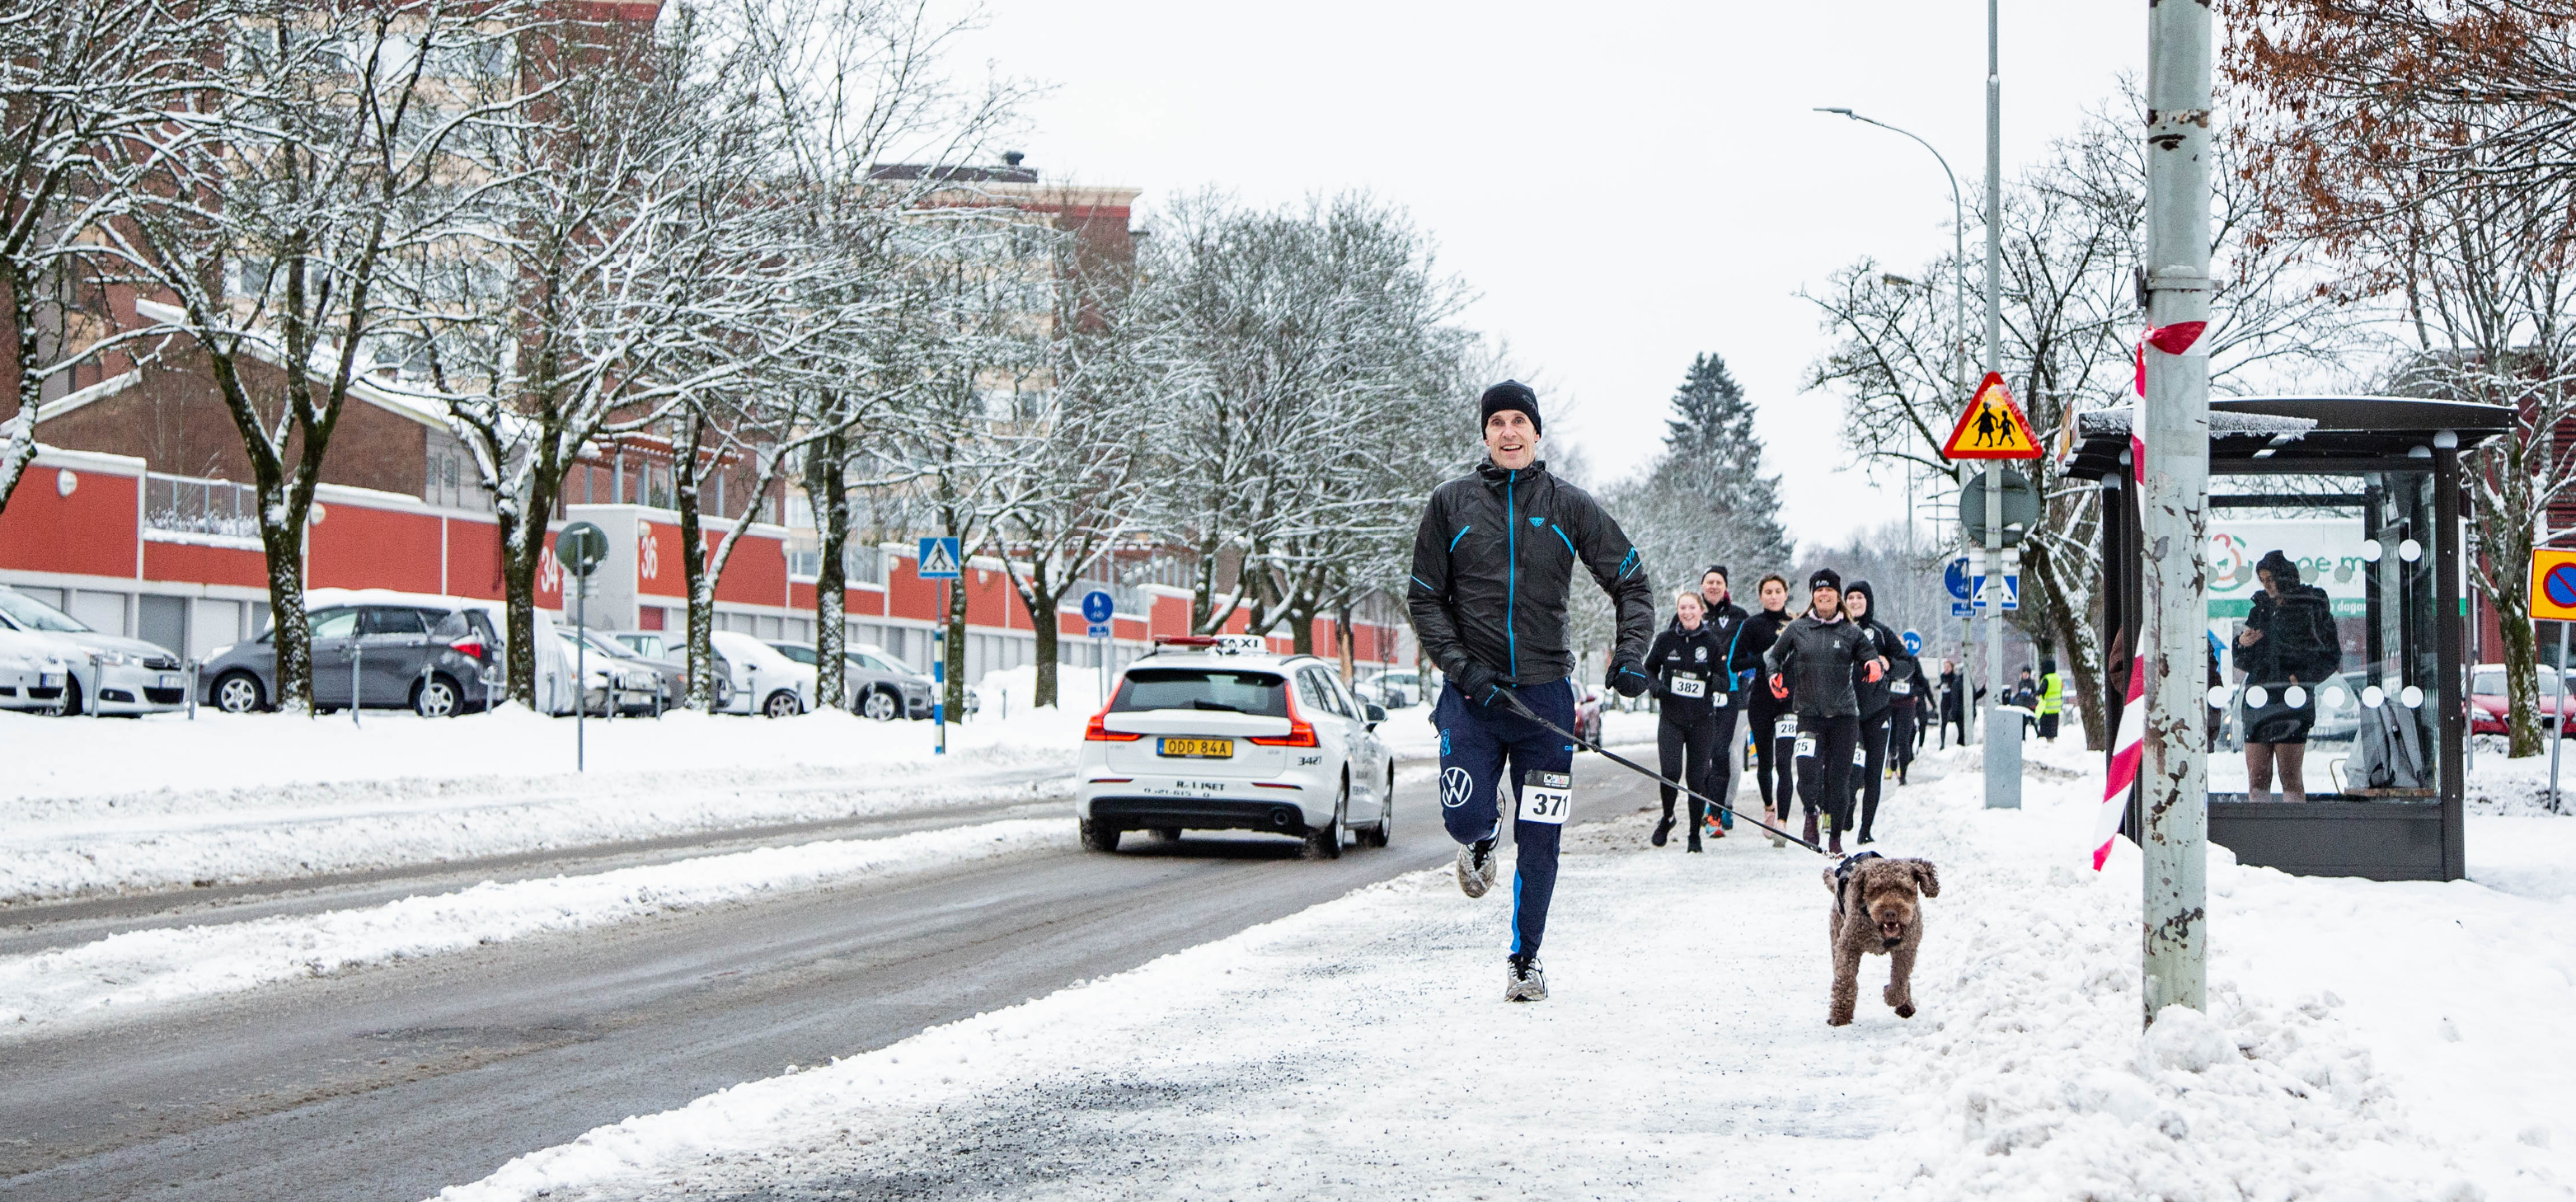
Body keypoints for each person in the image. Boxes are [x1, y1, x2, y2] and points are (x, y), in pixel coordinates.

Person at [1408, 380, 1655, 1002]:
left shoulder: (1569, 506)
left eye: (1520, 421)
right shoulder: (1450, 503)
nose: (1509, 432)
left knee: (1541, 838)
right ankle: (1480, 840)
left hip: (1544, 702)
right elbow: (1423, 598)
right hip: (1472, 697)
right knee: (1465, 815)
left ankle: (1525, 959)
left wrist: (1629, 657)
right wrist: (1464, 669)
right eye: (1497, 423)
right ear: (1485, 434)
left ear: (1537, 433)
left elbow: (1631, 582)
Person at [1763, 569, 1884, 853]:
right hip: (1808, 714)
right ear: (1813, 596)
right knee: (1807, 773)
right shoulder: (1798, 628)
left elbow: (1870, 656)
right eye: (1819, 591)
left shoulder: (1851, 632)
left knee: (1839, 779)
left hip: (1844, 716)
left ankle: (1835, 839)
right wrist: (1773, 676)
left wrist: (1873, 667)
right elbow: (1774, 658)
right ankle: (1810, 813)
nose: (1824, 595)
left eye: (1829, 590)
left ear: (1837, 595)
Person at [2236, 549, 2339, 803]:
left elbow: (2330, 654)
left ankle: (2296, 833)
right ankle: (2258, 832)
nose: (2267, 585)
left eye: (2271, 578)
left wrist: (2303, 678)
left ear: (2284, 577)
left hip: (2292, 696)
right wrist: (2242, 644)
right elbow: (2243, 662)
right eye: (2263, 580)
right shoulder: (2260, 608)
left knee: (2290, 776)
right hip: (2259, 696)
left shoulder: (2310, 605)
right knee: (2257, 777)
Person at [1645, 589, 1728, 851]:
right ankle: (1668, 817)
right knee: (1670, 772)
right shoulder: (1666, 639)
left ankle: (1694, 833)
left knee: (1696, 778)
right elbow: (1649, 668)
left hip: (1702, 720)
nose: (1687, 612)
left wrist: (1708, 680)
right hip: (1671, 717)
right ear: (1678, 611)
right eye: (1683, 608)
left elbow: (1725, 682)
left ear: (1701, 611)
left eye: (1692, 607)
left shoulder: (1711, 642)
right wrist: (1656, 687)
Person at [1841, 580, 1916, 845]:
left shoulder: (1881, 633)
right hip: (1848, 713)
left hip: (1878, 711)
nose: (1855, 602)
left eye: (1860, 597)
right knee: (1854, 769)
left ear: (1868, 601)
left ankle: (1865, 831)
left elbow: (1908, 664)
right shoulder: (1838, 630)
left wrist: (1888, 663)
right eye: (1850, 597)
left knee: (1873, 772)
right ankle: (1847, 807)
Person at [1739, 574, 1798, 840]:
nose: (1773, 596)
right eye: (1768, 592)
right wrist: (1762, 659)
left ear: (1786, 594)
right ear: (1761, 596)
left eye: (1778, 591)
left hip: (1789, 700)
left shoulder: (1797, 623)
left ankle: (1783, 824)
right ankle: (1770, 809)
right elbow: (1735, 663)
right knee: (1765, 762)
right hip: (1761, 700)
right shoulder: (1752, 624)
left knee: (1784, 763)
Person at [1697, 565, 1753, 838]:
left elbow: (1753, 649)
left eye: (1719, 582)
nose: (1714, 587)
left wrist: (1747, 672)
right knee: (1706, 752)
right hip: (1702, 695)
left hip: (1735, 695)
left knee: (1730, 753)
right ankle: (1710, 806)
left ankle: (1725, 804)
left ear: (1725, 586)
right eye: (1709, 582)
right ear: (1703, 586)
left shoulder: (1740, 616)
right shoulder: (1693, 612)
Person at [1889, 655, 1931, 785]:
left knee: (1904, 739)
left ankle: (1903, 775)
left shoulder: (1912, 661)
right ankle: (1893, 754)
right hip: (1890, 703)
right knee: (1892, 737)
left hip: (1907, 704)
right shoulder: (1889, 659)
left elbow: (1922, 681)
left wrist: (1915, 692)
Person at [1937, 658, 1970, 749]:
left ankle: (1961, 741)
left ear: (1952, 668)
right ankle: (1942, 743)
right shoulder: (1943, 676)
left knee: (1958, 722)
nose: (1946, 669)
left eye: (1948, 667)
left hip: (1953, 702)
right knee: (1944, 723)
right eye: (1945, 667)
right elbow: (1942, 685)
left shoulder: (1955, 678)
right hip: (1945, 702)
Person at [2036, 659, 2065, 743]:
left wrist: (2036, 694)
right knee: (2053, 726)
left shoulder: (2047, 678)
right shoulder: (2058, 678)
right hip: (2056, 707)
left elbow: (2041, 690)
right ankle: (2052, 739)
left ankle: (2047, 741)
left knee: (2045, 726)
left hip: (2047, 707)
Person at [2011, 668, 2039, 739]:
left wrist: (2031, 695)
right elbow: (2020, 692)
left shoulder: (2031, 682)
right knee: (2023, 722)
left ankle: (2038, 734)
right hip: (2022, 704)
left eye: (2027, 673)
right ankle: (2023, 737)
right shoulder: (2021, 683)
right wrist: (2014, 698)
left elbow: (2034, 692)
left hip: (2030, 704)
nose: (2025, 675)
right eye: (2024, 673)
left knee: (2033, 720)